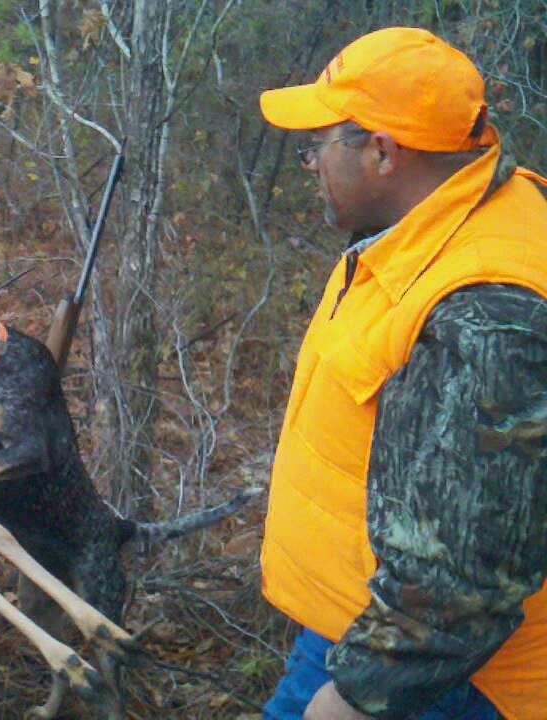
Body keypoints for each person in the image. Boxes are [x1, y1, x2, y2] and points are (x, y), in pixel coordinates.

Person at [257, 26, 547, 720]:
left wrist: (357, 697)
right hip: (367, 628)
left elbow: (465, 572)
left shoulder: (483, 309)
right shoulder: (426, 227)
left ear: (384, 152)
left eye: (318, 146)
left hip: (435, 678)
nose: (309, 165)